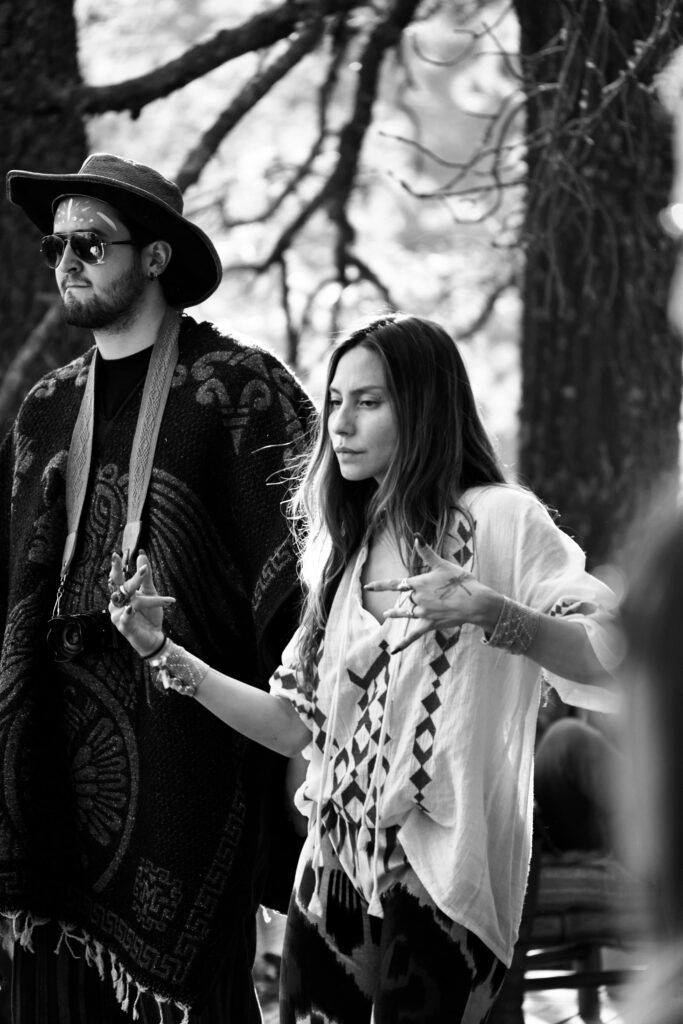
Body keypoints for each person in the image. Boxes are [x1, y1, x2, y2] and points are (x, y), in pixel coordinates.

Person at [107, 313, 620, 1024]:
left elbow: (611, 654)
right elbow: (292, 725)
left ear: (424, 408)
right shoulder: (341, 559)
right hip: (334, 868)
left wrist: (493, 612)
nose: (340, 424)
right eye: (335, 401)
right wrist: (162, 652)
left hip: (447, 873)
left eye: (369, 402)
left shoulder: (501, 521)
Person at [0, 153, 314, 1022]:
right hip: (49, 789)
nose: (67, 260)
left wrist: (304, 777)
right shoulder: (45, 408)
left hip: (189, 786)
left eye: (90, 243)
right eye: (57, 245)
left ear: (156, 257)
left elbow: (306, 598)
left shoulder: (240, 391)